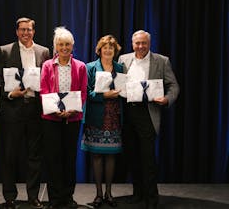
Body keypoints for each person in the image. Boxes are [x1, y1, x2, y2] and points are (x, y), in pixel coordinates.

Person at [118, 30, 180, 209]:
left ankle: (151, 198)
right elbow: (119, 82)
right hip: (127, 112)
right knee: (133, 157)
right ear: (132, 43)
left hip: (148, 113)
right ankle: (138, 194)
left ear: (149, 43)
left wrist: (167, 99)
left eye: (144, 43)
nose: (140, 46)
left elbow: (174, 85)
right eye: (137, 43)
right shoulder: (124, 59)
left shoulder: (162, 60)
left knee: (148, 159)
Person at [0, 17, 50, 209]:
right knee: (10, 156)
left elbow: (48, 79)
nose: (26, 33)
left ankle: (33, 196)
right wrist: (10, 93)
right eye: (22, 30)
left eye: (29, 29)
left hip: (36, 110)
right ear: (17, 31)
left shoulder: (44, 52)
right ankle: (9, 197)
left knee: (35, 156)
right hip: (12, 110)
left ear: (34, 31)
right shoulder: (5, 51)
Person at [40, 27, 87, 209]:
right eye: (61, 44)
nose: (64, 47)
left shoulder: (80, 66)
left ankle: (68, 197)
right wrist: (55, 110)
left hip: (72, 119)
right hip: (51, 119)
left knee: (69, 158)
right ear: (55, 47)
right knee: (53, 159)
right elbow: (44, 90)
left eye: (67, 44)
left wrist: (73, 110)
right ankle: (55, 198)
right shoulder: (47, 66)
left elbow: (83, 93)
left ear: (72, 46)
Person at [81, 35, 124, 208]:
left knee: (111, 155)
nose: (108, 50)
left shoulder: (120, 67)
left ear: (115, 51)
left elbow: (125, 89)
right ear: (99, 50)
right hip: (96, 117)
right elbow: (86, 92)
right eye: (105, 47)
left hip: (114, 117)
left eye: (111, 48)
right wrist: (103, 95)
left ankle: (109, 193)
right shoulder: (90, 67)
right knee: (97, 156)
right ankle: (98, 194)